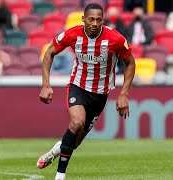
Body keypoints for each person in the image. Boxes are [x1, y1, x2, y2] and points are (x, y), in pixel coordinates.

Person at [37, 3, 135, 180]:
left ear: (103, 20)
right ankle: (60, 175)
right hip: (78, 87)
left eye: (99, 19)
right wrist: (46, 84)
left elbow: (130, 63)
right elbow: (49, 52)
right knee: (76, 123)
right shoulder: (72, 34)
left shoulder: (115, 39)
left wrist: (123, 94)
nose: (95, 23)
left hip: (100, 94)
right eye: (91, 19)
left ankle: (57, 149)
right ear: (84, 19)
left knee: (75, 141)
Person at [104, 6, 128, 74]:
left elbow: (123, 36)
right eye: (111, 14)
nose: (112, 16)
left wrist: (115, 30)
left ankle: (119, 70)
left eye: (114, 14)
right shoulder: (104, 23)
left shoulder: (120, 23)